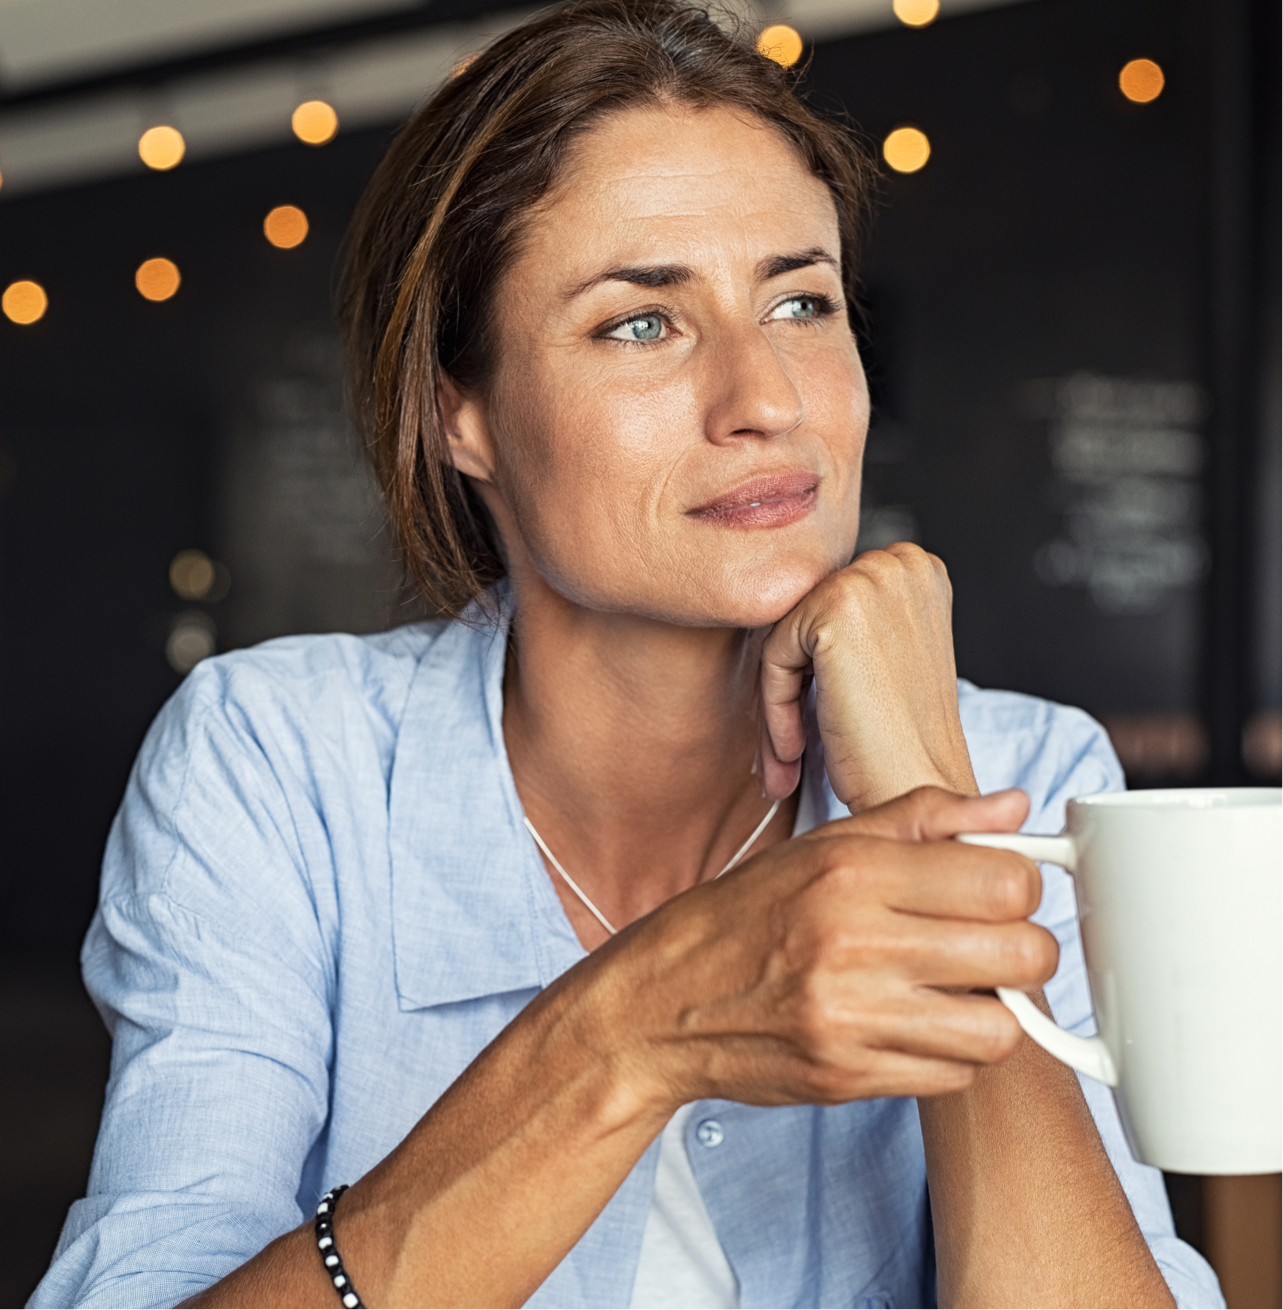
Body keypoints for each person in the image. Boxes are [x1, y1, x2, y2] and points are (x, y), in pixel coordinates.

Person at [33, 2, 1221, 1306]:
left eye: (802, 300)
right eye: (642, 323)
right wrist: (631, 1032)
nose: (765, 399)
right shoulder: (279, 763)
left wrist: (925, 812)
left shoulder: (1024, 770)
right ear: (458, 408)